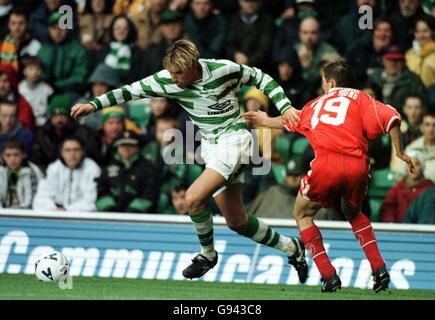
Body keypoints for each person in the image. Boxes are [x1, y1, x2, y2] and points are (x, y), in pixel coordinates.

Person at [70, 39, 308, 283]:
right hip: (212, 148)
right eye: (171, 72)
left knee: (192, 198)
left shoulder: (222, 70)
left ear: (193, 65)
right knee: (237, 221)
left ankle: (207, 255)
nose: (174, 79)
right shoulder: (166, 79)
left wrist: (285, 107)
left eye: (178, 73)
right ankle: (292, 248)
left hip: (235, 140)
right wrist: (93, 105)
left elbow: (261, 77)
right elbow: (128, 91)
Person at [243, 61, 416, 292]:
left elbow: (291, 120)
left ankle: (329, 275)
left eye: (324, 82)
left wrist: (265, 120)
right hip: (358, 166)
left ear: (331, 82)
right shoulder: (362, 98)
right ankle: (379, 268)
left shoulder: (316, 104)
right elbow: (393, 117)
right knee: (353, 212)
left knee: (302, 214)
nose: (323, 87)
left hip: (327, 164)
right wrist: (400, 151)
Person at [249, 156, 343, 220]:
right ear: (285, 175)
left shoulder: (320, 204)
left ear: (306, 174)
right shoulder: (270, 193)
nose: (293, 178)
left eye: (297, 174)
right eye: (290, 174)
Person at [96, 130, 160, 213]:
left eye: (130, 145)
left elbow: (150, 193)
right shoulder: (107, 167)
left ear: (137, 147)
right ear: (117, 147)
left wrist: (132, 211)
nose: (126, 148)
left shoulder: (148, 168)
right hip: (110, 217)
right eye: (122, 145)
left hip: (139, 217)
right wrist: (110, 210)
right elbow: (101, 191)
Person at [32, 136, 101, 211]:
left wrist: (67, 210)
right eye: (68, 150)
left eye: (76, 150)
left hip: (81, 215)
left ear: (83, 152)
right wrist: (54, 210)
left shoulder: (92, 168)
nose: (72, 154)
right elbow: (42, 197)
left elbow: (91, 201)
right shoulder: (54, 168)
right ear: (62, 152)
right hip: (55, 212)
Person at [38, 12, 89, 101]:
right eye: (54, 28)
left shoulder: (78, 49)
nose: (57, 32)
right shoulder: (43, 50)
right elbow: (39, 73)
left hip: (70, 91)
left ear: (67, 29)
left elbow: (80, 76)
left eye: (61, 28)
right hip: (46, 90)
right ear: (49, 30)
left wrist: (57, 85)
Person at [368, 45, 427, 113]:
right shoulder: (375, 77)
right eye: (390, 60)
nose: (393, 63)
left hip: (401, 119)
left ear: (403, 62)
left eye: (397, 60)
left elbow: (423, 104)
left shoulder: (413, 80)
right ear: (383, 60)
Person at [379, 151, 433, 223]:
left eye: (417, 164)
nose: (413, 167)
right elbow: (388, 208)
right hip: (399, 229)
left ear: (422, 167)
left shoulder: (429, 188)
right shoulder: (398, 187)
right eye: (409, 164)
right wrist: (390, 222)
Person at [0, 139, 43, 209]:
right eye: (8, 155)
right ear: (3, 156)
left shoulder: (32, 172)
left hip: (26, 215)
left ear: (24, 155)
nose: (12, 159)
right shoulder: (1, 170)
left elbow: (31, 204)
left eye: (16, 155)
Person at [397, 111, 435, 182]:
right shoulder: (411, 148)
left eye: (434, 125)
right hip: (415, 191)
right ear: (422, 127)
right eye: (427, 125)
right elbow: (401, 175)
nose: (430, 130)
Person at [0, 8, 41, 73]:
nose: (17, 27)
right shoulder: (2, 43)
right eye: (13, 23)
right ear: (8, 25)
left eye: (21, 23)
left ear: (27, 24)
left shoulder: (35, 45)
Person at [18, 56, 54, 127]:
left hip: (43, 122)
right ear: (24, 71)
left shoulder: (47, 90)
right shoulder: (20, 88)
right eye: (31, 69)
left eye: (38, 69)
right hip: (25, 122)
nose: (34, 72)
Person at [405, 16, 435, 88]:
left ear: (433, 32)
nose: (421, 35)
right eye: (417, 31)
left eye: (425, 31)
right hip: (412, 96)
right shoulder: (409, 54)